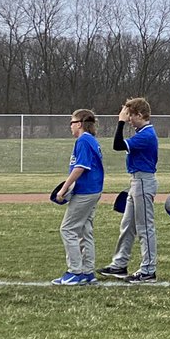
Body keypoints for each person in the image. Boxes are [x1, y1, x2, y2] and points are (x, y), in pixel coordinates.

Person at [100, 97, 158, 283]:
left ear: (140, 115)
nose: (129, 120)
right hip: (136, 181)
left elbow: (117, 145)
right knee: (127, 225)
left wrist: (120, 122)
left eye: (131, 116)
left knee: (144, 227)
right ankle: (120, 263)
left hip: (143, 180)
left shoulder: (146, 134)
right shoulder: (142, 132)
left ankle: (148, 269)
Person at [52, 109, 104, 285]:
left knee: (68, 229)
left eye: (72, 123)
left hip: (85, 191)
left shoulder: (83, 140)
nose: (71, 127)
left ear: (80, 123)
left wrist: (63, 189)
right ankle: (88, 272)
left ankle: (74, 271)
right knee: (85, 230)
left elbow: (80, 167)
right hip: (94, 189)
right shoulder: (91, 140)